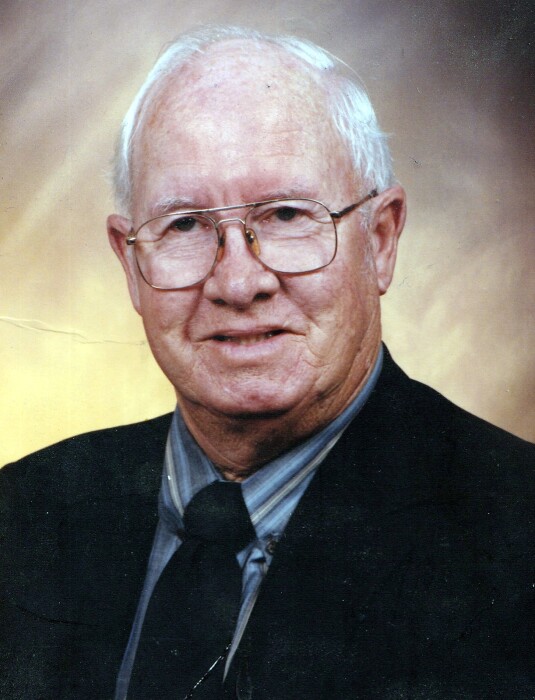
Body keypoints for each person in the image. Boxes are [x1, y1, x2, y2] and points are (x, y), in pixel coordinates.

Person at [1, 25, 533, 700]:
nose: (237, 282)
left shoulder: (512, 537)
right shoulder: (22, 518)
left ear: (381, 239)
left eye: (285, 215)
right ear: (130, 263)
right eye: (185, 224)